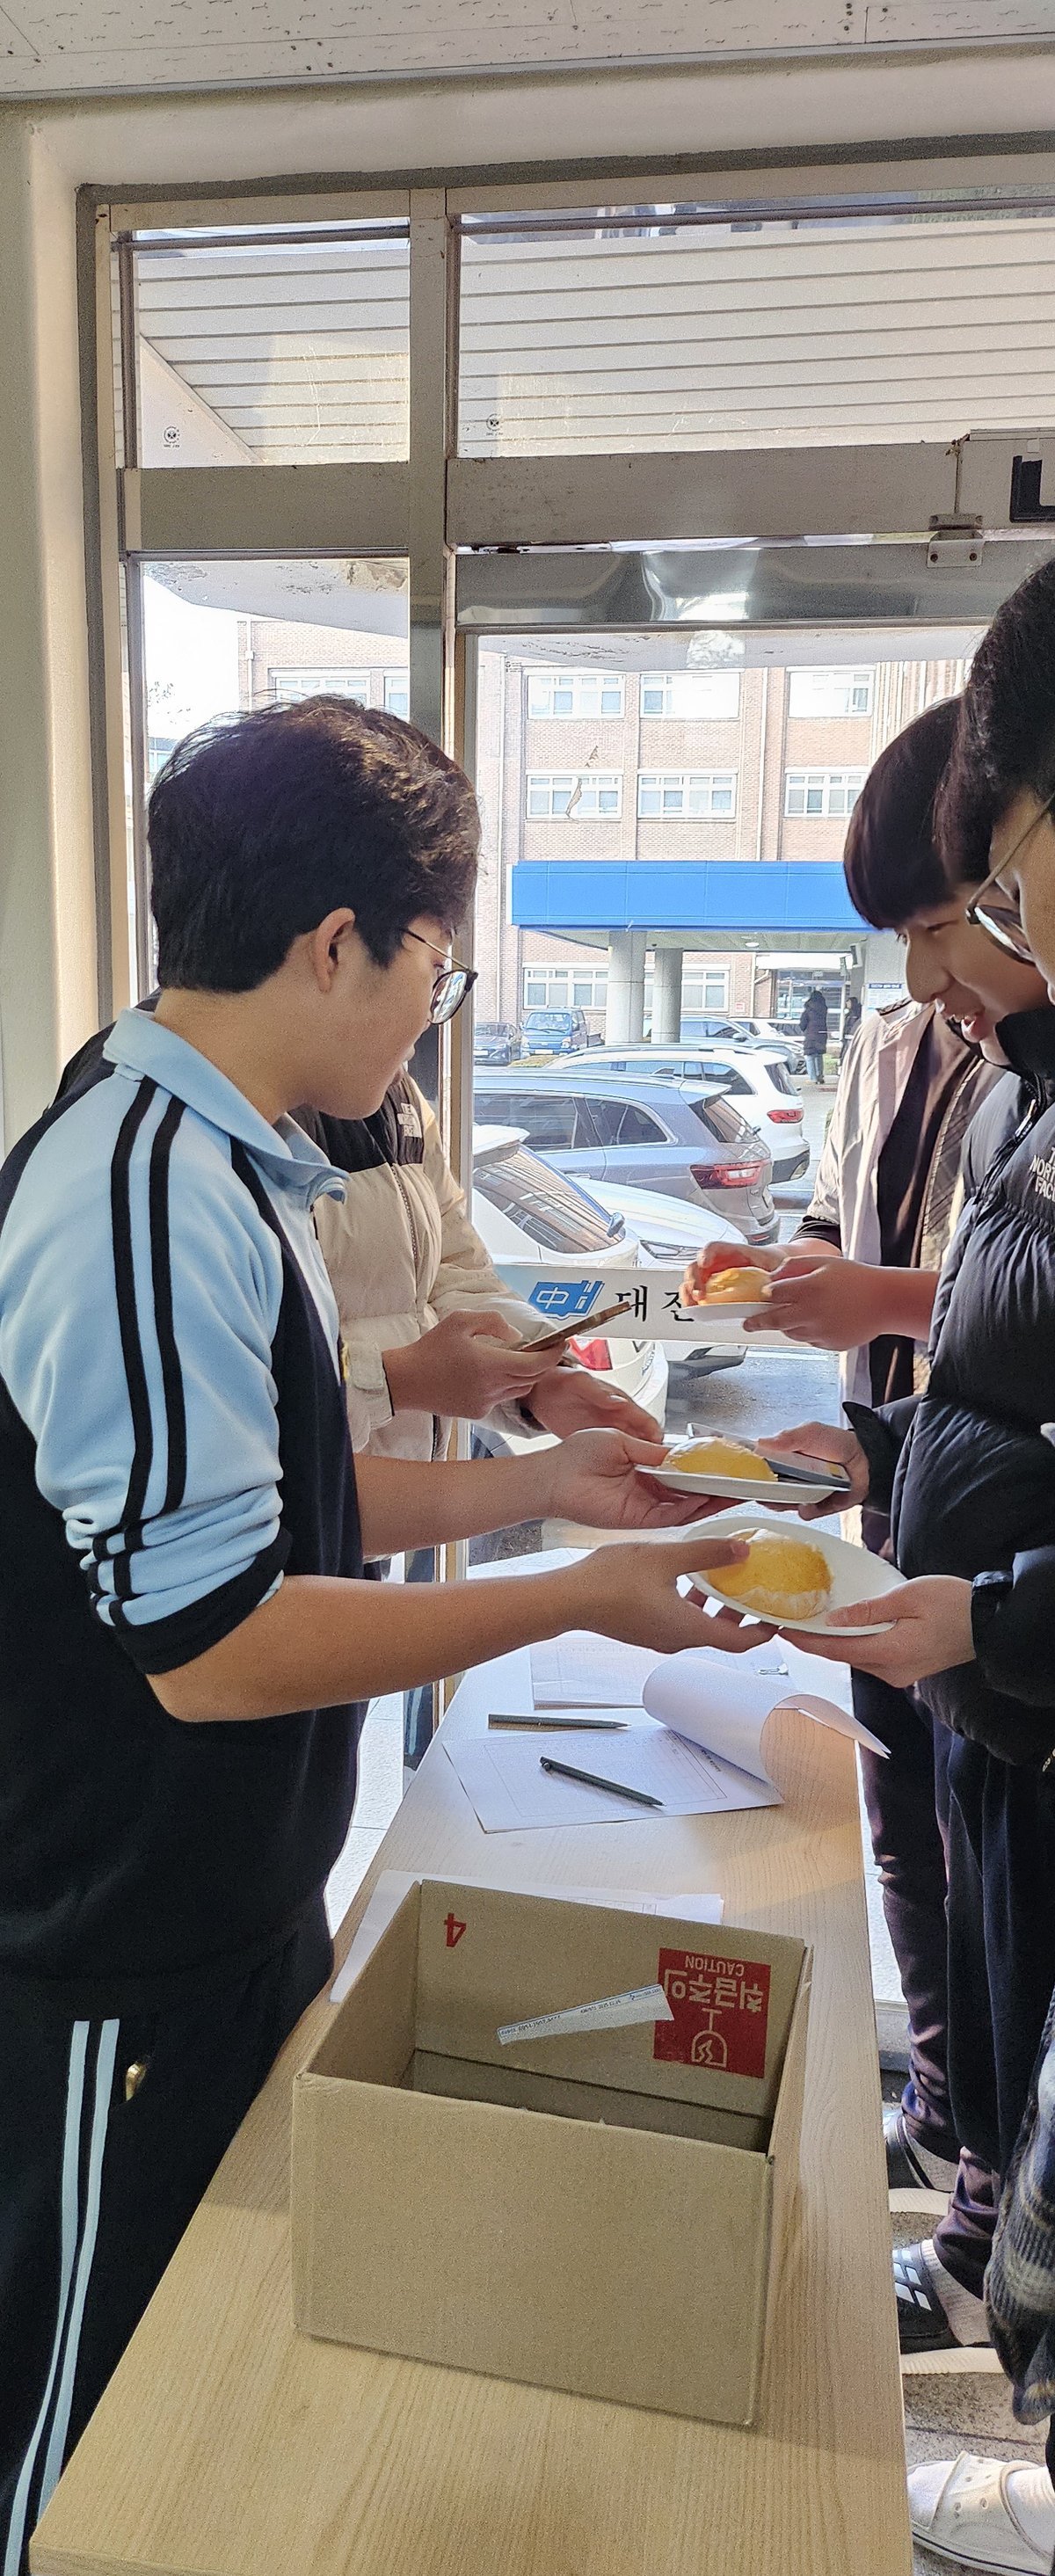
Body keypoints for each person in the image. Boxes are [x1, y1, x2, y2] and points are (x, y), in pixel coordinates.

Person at [0, 694, 751, 2573]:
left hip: (225, 1896)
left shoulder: (237, 1161)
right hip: (115, 1937)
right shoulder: (141, 1187)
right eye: (439, 963)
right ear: (337, 943)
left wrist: (547, 1491)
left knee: (191, 2380)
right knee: (80, 2428)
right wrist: (569, 1597)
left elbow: (285, 1510)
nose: (437, 1007)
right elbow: (211, 1645)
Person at [703, 559, 1055, 2576]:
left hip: (1007, 1659)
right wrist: (878, 1454)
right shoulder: (1004, 1081)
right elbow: (1000, 1363)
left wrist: (989, 1607)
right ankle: (994, 2272)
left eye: (973, 904)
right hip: (986, 1665)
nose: (951, 965)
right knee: (973, 1995)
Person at [800, 986, 830, 1085]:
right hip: (822, 1035)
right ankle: (820, 1076)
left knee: (810, 1056)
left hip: (811, 1035)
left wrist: (805, 1029)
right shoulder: (824, 1009)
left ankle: (813, 1078)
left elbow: (803, 1024)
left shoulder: (809, 1009)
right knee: (819, 1055)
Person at [840, 993, 862, 1059]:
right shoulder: (850, 1013)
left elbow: (851, 1025)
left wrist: (848, 1032)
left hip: (851, 1036)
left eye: (848, 1002)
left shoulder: (854, 1014)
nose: (847, 1003)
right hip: (848, 1036)